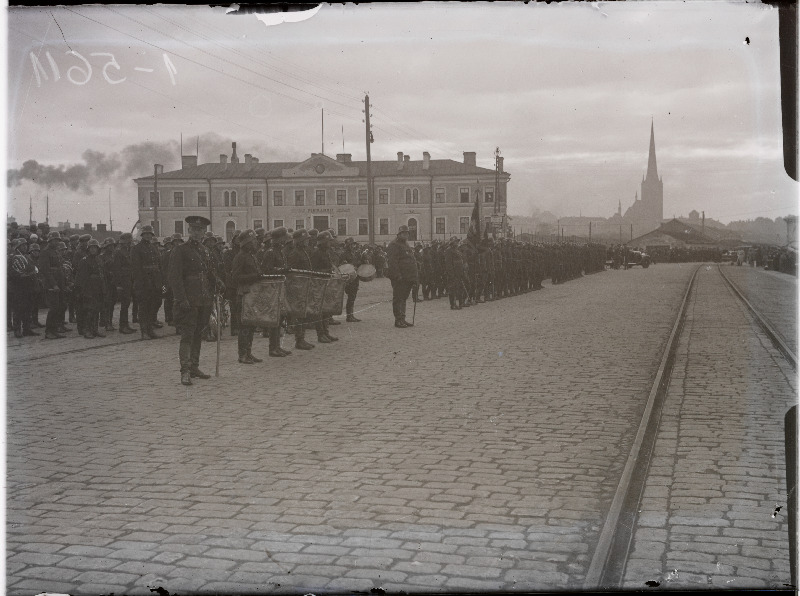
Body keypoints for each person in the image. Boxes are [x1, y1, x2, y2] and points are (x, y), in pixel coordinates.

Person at [169, 215, 220, 386]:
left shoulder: (205, 250)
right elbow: (175, 277)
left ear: (204, 232)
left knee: (198, 334)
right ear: (189, 230)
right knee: (187, 336)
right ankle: (185, 371)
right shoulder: (180, 250)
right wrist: (181, 299)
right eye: (194, 229)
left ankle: (194, 367)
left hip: (203, 299)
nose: (197, 233)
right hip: (188, 301)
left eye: (201, 230)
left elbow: (208, 272)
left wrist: (218, 282)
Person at [231, 229, 265, 364]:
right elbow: (236, 277)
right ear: (247, 243)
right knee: (244, 326)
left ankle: (249, 353)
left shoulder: (251, 256)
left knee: (251, 325)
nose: (256, 243)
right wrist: (255, 276)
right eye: (253, 241)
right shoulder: (240, 257)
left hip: (252, 294)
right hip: (244, 294)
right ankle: (242, 354)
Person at [260, 227, 292, 357]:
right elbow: (266, 270)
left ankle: (277, 346)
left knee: (280, 317)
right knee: (275, 317)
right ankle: (273, 348)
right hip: (273, 287)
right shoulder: (271, 252)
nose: (286, 239)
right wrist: (281, 270)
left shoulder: (280, 251)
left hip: (279, 286)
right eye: (284, 237)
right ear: (279, 238)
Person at [131, 225, 163, 339]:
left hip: (155, 282)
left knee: (153, 305)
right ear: (142, 235)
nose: (148, 235)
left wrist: (160, 281)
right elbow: (136, 268)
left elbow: (159, 265)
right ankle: (144, 331)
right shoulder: (137, 249)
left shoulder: (154, 248)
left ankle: (150, 330)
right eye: (146, 234)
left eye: (150, 234)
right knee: (144, 307)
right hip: (144, 282)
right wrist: (140, 283)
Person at [286, 228, 316, 350]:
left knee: (302, 313)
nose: (308, 241)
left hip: (304, 286)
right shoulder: (294, 254)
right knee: (299, 314)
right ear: (300, 241)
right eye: (305, 239)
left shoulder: (303, 252)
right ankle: (299, 340)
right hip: (297, 287)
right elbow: (292, 272)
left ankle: (302, 338)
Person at [386, 225, 418, 328]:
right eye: (403, 233)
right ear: (399, 234)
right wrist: (397, 276)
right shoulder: (394, 245)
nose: (406, 235)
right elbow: (393, 262)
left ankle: (402, 318)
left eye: (407, 233)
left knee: (404, 298)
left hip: (408, 277)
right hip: (400, 278)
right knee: (398, 298)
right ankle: (398, 320)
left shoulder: (406, 245)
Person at [310, 230, 339, 343]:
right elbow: (313, 270)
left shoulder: (326, 252)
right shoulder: (316, 253)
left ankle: (326, 333)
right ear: (322, 242)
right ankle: (320, 334)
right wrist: (328, 270)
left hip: (326, 283)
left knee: (326, 309)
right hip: (318, 284)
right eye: (328, 241)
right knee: (319, 311)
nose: (330, 243)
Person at [75, 239, 107, 339]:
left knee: (97, 309)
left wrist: (103, 288)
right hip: (88, 288)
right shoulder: (84, 261)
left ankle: (95, 329)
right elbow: (81, 278)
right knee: (89, 310)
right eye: (91, 248)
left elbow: (102, 274)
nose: (93, 250)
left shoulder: (99, 259)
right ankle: (87, 330)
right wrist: (83, 291)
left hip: (98, 287)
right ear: (88, 249)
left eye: (95, 248)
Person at [341, 237, 362, 322]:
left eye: (353, 244)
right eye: (351, 244)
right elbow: (342, 266)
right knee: (350, 296)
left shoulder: (355, 253)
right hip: (348, 278)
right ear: (347, 245)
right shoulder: (344, 254)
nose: (353, 246)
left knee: (352, 296)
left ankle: (350, 315)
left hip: (355, 277)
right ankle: (349, 316)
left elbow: (358, 262)